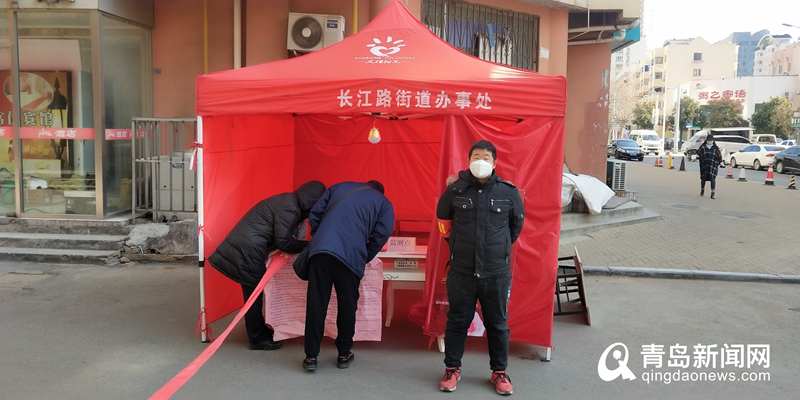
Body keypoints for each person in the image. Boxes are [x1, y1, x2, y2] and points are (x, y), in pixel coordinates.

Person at [436, 140, 524, 396]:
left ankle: (499, 372)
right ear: (469, 160)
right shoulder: (455, 190)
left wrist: (498, 248)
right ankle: (452, 369)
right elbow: (443, 221)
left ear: (494, 163)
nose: (480, 161)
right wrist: (456, 245)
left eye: (486, 157)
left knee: (498, 324)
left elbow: (516, 226)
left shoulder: (508, 192)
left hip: (495, 273)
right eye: (476, 156)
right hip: (462, 271)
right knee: (457, 321)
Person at [209, 181, 326, 350]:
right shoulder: (290, 209)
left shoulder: (289, 202)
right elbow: (283, 241)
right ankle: (257, 339)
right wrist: (309, 245)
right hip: (247, 250)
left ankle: (259, 330)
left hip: (245, 247)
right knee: (254, 296)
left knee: (254, 293)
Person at [302, 181, 394, 372]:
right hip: (350, 257)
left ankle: (311, 356)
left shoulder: (338, 187)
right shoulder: (383, 203)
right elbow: (382, 233)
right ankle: (344, 354)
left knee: (316, 303)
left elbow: (315, 214)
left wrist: (322, 237)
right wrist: (365, 254)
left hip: (320, 253)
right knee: (347, 305)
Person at [697, 135, 722, 199]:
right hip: (704, 165)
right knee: (703, 178)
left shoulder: (716, 148)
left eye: (711, 140)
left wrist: (720, 162)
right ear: (706, 140)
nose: (710, 141)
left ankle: (712, 193)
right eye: (708, 140)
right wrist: (697, 157)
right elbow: (698, 153)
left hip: (712, 166)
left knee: (712, 179)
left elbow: (719, 157)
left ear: (713, 141)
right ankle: (702, 190)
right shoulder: (703, 147)